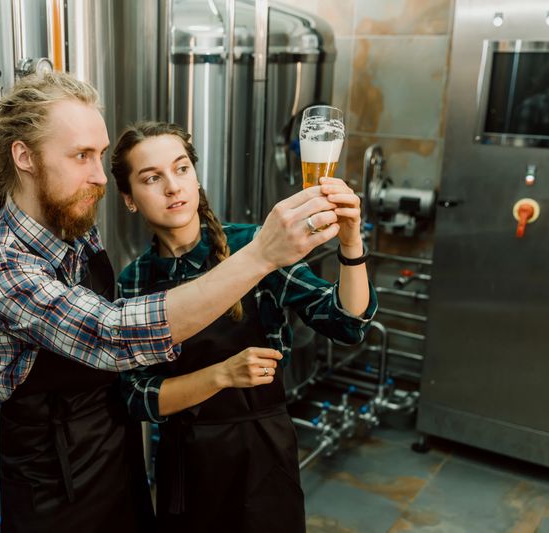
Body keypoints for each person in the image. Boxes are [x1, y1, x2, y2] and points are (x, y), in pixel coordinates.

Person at [0, 72, 345, 533]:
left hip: (117, 458)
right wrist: (261, 255)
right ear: (24, 157)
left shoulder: (73, 228)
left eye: (99, 156)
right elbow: (113, 334)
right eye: (82, 156)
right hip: (54, 489)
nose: (99, 177)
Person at [111, 121, 378, 533]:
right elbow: (136, 396)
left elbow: (345, 322)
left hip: (263, 456)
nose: (172, 187)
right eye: (152, 178)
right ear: (129, 199)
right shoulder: (134, 280)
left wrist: (351, 243)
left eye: (181, 169)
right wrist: (221, 375)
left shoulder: (256, 246)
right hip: (186, 464)